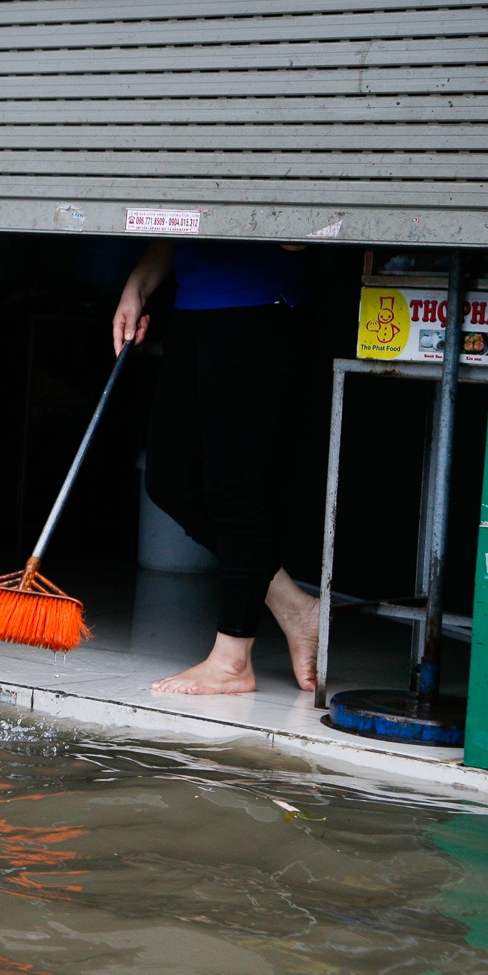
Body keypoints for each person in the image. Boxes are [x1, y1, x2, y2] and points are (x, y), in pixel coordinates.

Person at [112, 238, 320, 696]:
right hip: (193, 307)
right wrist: (138, 287)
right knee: (170, 480)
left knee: (233, 484)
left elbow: (299, 235)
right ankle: (294, 606)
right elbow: (179, 218)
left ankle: (232, 661)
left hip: (260, 304)